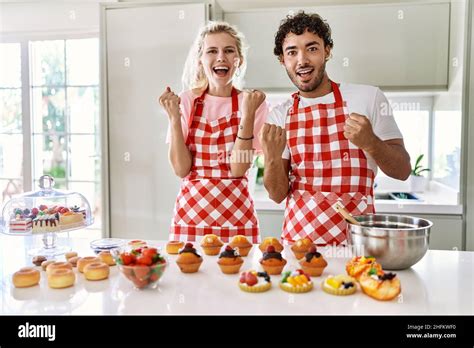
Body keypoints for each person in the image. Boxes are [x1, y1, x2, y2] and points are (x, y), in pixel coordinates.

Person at [260, 12, 411, 246]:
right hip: (300, 247)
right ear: (283, 60)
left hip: (358, 245)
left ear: (327, 51)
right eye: (292, 52)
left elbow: (402, 171)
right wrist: (270, 157)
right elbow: (278, 194)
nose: (302, 60)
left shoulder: (368, 97)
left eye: (312, 48)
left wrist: (371, 142)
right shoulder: (280, 114)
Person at [159, 21, 268, 243]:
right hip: (191, 218)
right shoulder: (187, 101)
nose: (221, 57)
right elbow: (181, 169)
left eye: (229, 51)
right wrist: (173, 118)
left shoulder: (253, 103)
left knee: (239, 277)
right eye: (212, 51)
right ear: (201, 59)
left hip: (238, 219)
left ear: (239, 60)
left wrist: (246, 115)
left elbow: (238, 168)